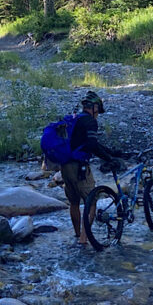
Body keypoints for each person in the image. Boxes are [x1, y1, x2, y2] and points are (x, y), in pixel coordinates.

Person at [61, 90, 124, 245]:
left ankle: (77, 235)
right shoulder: (90, 122)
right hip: (79, 167)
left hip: (64, 166)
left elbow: (90, 142)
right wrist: (109, 159)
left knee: (74, 202)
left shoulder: (76, 119)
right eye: (98, 111)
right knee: (91, 201)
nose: (98, 114)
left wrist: (111, 152)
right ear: (94, 107)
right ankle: (84, 240)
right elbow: (92, 145)